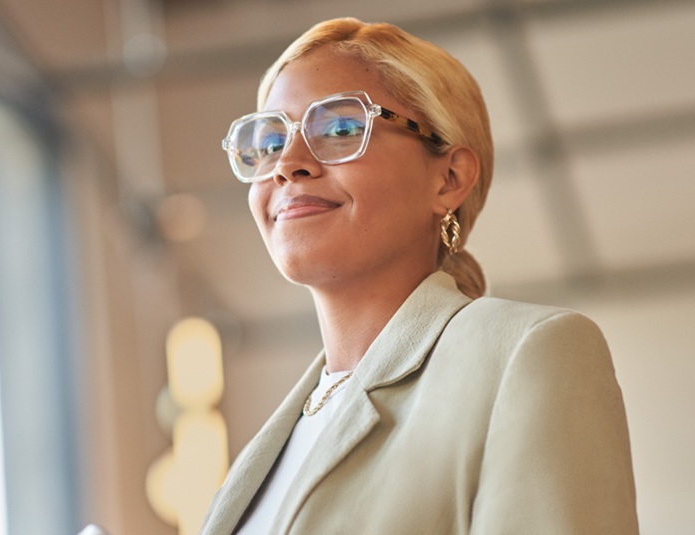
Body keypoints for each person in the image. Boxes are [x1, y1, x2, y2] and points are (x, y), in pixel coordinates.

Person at [202, 17, 638, 534]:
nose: (287, 164)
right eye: (270, 141)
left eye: (341, 129)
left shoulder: (529, 354)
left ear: (449, 179)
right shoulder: (265, 450)